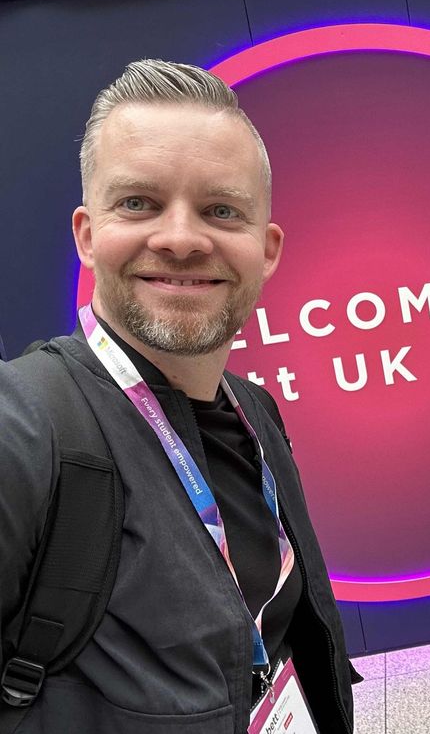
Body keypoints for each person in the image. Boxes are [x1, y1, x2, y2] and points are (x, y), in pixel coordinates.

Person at [0, 61, 356, 733]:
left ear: (266, 248)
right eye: (138, 203)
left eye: (222, 210)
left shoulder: (255, 410)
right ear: (86, 234)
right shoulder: (25, 432)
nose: (182, 238)